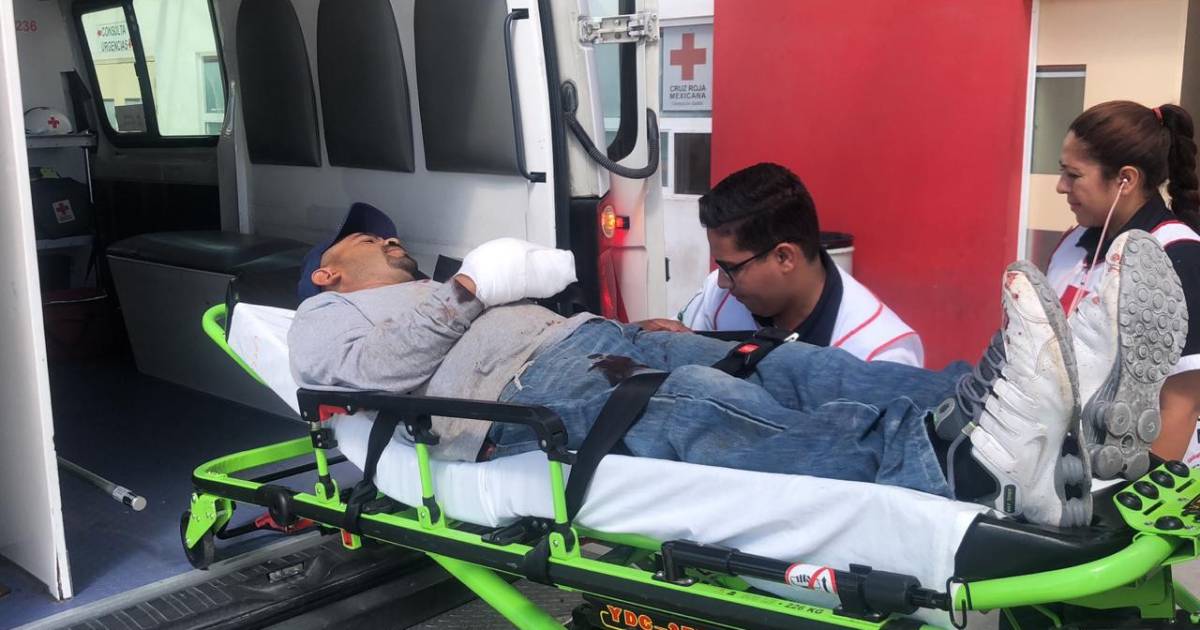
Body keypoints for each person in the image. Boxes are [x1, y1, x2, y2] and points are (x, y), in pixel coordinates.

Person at [288, 203, 1185, 529]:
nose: (392, 242)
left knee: (792, 366)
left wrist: (485, 290)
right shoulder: (321, 319)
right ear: (330, 271)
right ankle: (958, 465)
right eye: (372, 240)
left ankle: (1049, 408)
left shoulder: (432, 289)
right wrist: (468, 289)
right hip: (518, 396)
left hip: (594, 343)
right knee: (694, 400)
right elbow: (370, 380)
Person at [1043, 100, 1200, 475]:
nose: (1061, 186)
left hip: (1141, 478)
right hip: (1065, 462)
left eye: (1074, 175)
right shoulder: (1072, 242)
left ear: (1125, 180)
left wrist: (1126, 498)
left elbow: (1182, 404)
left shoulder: (1178, 255)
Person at [674, 163, 923, 366]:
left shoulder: (878, 353)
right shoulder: (719, 297)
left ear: (784, 257)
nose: (721, 281)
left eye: (731, 268)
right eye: (720, 265)